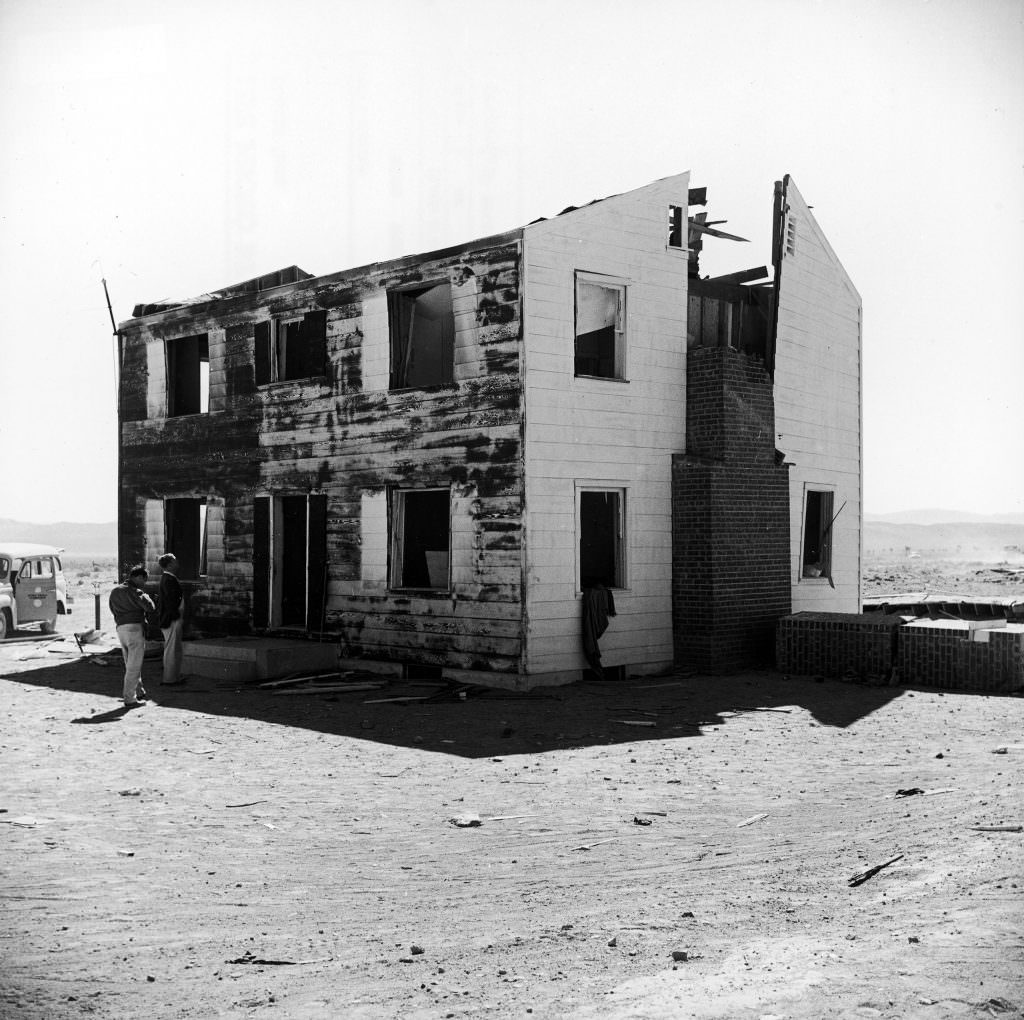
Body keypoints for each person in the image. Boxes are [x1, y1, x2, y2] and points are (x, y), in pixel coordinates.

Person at [109, 565, 156, 707]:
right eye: (144, 580)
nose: (144, 583)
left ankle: (139, 690)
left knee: (130, 662)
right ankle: (129, 698)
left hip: (120, 628)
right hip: (134, 628)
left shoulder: (115, 591)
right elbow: (150, 607)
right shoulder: (136, 592)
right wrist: (146, 596)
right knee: (134, 666)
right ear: (139, 577)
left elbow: (112, 609)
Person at [157, 553, 185, 686]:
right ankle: (170, 679)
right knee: (172, 649)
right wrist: (175, 616)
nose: (177, 563)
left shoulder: (168, 579)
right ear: (169, 565)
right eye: (175, 561)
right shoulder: (169, 580)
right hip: (171, 619)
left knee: (173, 649)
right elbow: (170, 602)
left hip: (171, 618)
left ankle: (173, 677)